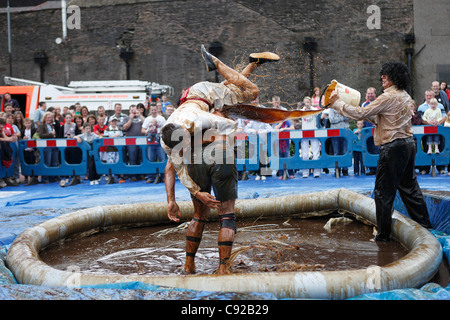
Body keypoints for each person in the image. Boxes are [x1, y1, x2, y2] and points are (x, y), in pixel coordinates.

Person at [161, 45, 279, 274]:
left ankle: (189, 264)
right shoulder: (178, 131)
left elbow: (173, 168)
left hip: (197, 155)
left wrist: (184, 196)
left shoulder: (186, 123)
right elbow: (229, 125)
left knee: (199, 215)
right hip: (219, 151)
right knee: (250, 91)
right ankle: (224, 269)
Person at [328, 60, 432, 242]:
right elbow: (381, 120)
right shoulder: (405, 96)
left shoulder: (387, 97)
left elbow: (360, 114)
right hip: (408, 145)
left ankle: (383, 236)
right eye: (382, 75)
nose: (382, 77)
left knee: (383, 192)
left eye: (386, 75)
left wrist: (337, 104)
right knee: (409, 188)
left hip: (392, 147)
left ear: (394, 78)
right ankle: (426, 227)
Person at [322, 107, 350, 176]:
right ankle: (337, 169)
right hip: (335, 133)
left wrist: (343, 119)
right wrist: (343, 119)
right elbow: (331, 120)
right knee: (336, 152)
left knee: (344, 151)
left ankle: (345, 169)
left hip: (345, 132)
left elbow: (349, 118)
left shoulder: (345, 108)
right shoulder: (331, 110)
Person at [142, 104, 166, 183]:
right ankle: (151, 177)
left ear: (157, 109)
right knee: (151, 159)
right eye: (152, 110)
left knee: (162, 159)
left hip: (160, 142)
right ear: (150, 111)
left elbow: (166, 128)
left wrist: (161, 130)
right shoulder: (147, 119)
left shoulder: (162, 119)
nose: (153, 111)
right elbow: (142, 130)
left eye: (155, 109)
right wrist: (149, 131)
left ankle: (163, 177)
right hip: (150, 142)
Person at [122, 104, 145, 181]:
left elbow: (146, 124)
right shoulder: (126, 118)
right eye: (132, 110)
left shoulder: (140, 118)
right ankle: (133, 175)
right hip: (131, 141)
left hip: (141, 141)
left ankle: (141, 174)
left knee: (141, 158)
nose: (134, 112)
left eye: (135, 110)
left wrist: (140, 115)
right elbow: (125, 127)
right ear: (129, 111)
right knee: (132, 158)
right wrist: (130, 118)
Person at [300, 96, 321, 178]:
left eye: (308, 102)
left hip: (313, 132)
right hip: (304, 132)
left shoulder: (314, 110)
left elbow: (320, 111)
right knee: (304, 153)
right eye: (305, 102)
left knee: (316, 152)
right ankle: (305, 172)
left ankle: (317, 172)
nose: (307, 104)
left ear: (311, 103)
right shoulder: (301, 111)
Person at [361, 87, 379, 175]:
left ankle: (378, 169)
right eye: (368, 93)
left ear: (375, 94)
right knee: (370, 149)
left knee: (378, 149)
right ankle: (372, 169)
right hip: (367, 131)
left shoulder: (379, 103)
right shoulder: (364, 104)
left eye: (372, 93)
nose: (370, 95)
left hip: (378, 130)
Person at [37, 111, 59, 183]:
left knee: (54, 162)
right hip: (46, 146)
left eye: (50, 118)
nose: (49, 119)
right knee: (47, 162)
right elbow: (41, 135)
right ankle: (45, 178)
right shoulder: (41, 125)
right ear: (45, 118)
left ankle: (52, 177)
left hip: (53, 145)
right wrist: (51, 134)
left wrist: (53, 135)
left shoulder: (52, 126)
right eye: (48, 117)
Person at [0, 118, 17, 188]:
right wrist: (8, 139)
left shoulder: (1, 130)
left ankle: (3, 178)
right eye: (0, 124)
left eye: (3, 125)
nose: (1, 126)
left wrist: (11, 139)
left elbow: (5, 137)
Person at [21, 118, 38, 186]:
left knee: (32, 161)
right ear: (24, 124)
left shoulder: (34, 130)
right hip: (25, 149)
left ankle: (33, 176)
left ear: (31, 123)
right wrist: (23, 138)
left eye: (29, 123)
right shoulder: (22, 131)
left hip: (32, 149)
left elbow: (35, 139)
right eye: (26, 123)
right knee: (26, 161)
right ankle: (26, 177)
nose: (27, 124)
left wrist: (33, 147)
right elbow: (20, 139)